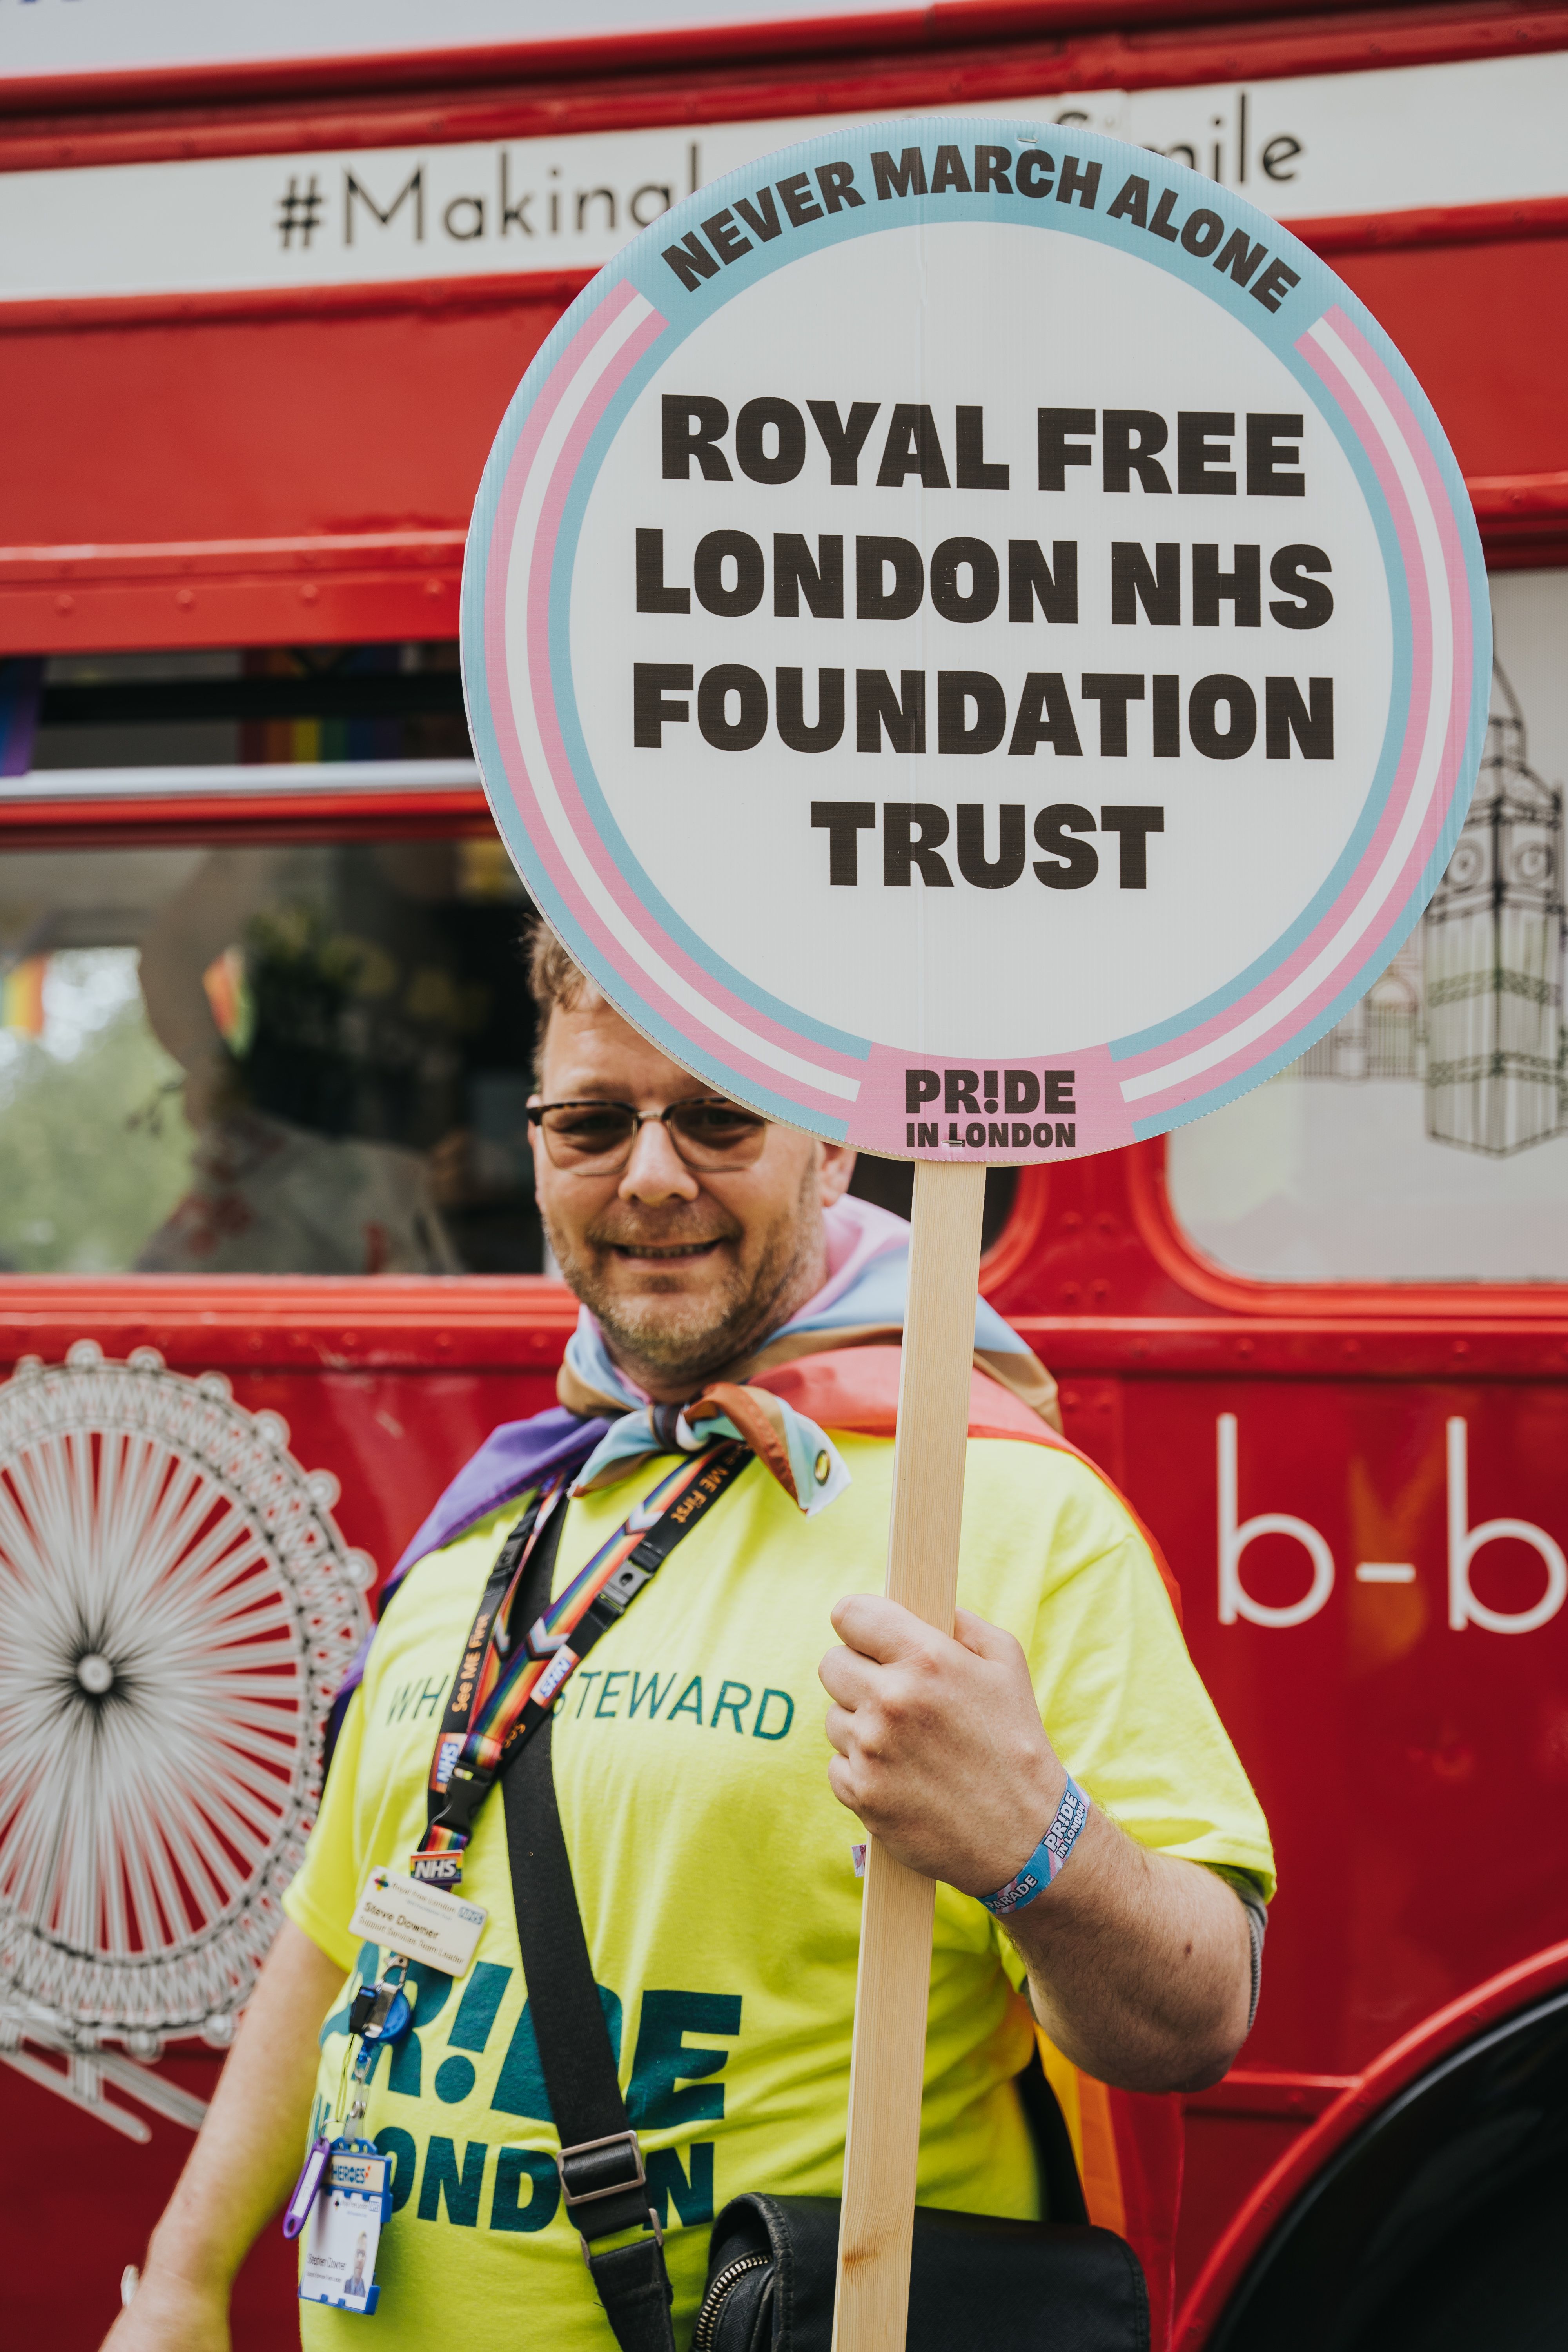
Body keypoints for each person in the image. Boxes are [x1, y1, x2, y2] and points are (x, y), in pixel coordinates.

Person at [105, 928, 1273, 2352]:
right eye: (592, 1123)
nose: (651, 1175)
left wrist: (1036, 1842)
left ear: (833, 1154)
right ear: (537, 1156)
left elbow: (1199, 2015)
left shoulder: (997, 1512)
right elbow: (339, 1937)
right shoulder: (507, 1513)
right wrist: (181, 2278)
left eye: (720, 1118)